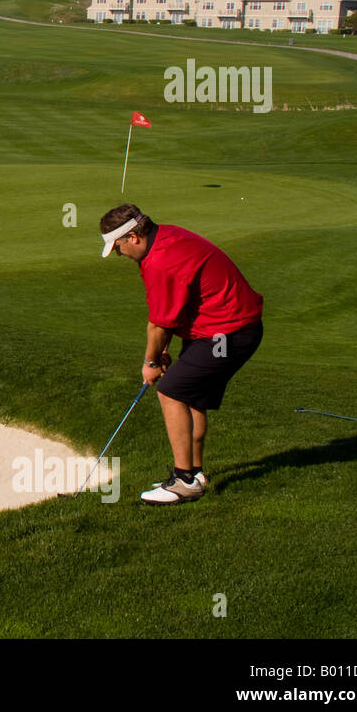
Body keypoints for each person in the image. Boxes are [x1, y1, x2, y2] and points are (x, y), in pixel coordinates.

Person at [99, 204, 264, 505]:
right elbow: (173, 313)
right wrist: (162, 350)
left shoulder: (161, 261)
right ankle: (195, 473)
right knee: (191, 395)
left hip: (227, 333)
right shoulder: (165, 237)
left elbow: (159, 324)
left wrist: (150, 362)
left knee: (171, 390)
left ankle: (183, 481)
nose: (119, 254)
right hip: (220, 328)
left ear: (134, 237)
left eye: (119, 247)